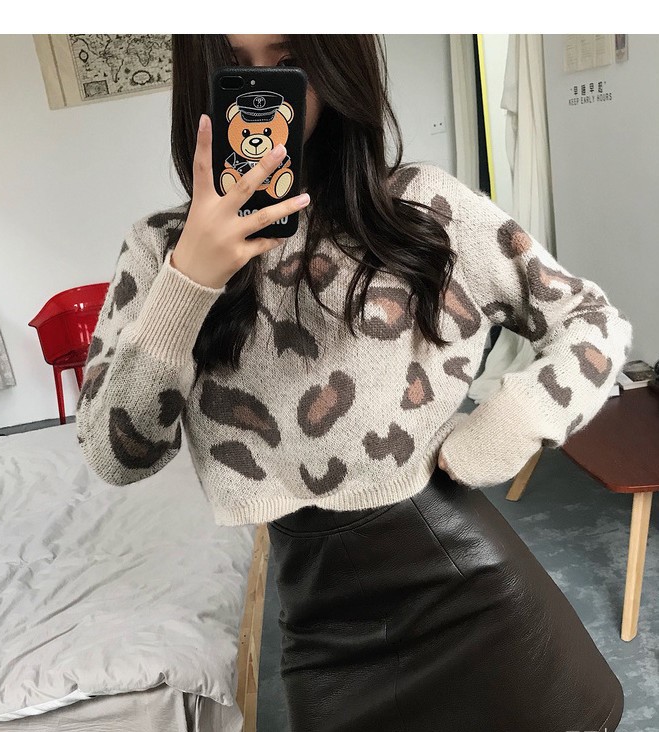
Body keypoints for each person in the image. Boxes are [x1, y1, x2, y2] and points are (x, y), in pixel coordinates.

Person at [75, 34, 631, 732]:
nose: (260, 96)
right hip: (320, 632)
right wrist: (190, 280)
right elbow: (115, 455)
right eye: (233, 65)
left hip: (469, 597)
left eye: (286, 64)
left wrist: (515, 417)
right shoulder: (159, 249)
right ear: (201, 76)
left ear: (334, 66)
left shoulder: (422, 208)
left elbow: (591, 320)